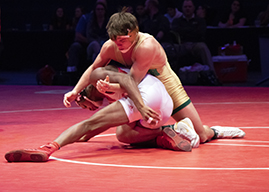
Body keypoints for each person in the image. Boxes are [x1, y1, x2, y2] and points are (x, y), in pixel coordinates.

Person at [63, 8, 245, 145]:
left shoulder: (146, 45)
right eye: (114, 40)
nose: (118, 45)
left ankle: (215, 131)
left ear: (133, 32)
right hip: (141, 87)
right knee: (124, 134)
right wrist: (75, 91)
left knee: (201, 135)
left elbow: (131, 81)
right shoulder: (109, 46)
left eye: (123, 40)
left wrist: (111, 89)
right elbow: (94, 67)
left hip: (164, 84)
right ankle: (168, 132)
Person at [5, 65, 199, 162]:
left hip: (146, 96)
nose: (91, 110)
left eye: (87, 107)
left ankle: (49, 147)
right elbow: (102, 125)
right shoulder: (108, 83)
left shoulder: (100, 76)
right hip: (162, 102)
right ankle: (163, 134)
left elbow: (92, 124)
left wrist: (139, 105)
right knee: (123, 133)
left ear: (86, 96)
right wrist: (83, 137)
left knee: (90, 123)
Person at [171, 0, 219, 83]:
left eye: (189, 7)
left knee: (203, 47)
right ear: (182, 8)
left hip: (195, 45)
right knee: (167, 48)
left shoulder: (200, 21)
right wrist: (191, 31)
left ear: (193, 8)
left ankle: (213, 76)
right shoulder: (177, 21)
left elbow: (200, 33)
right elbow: (175, 32)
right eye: (185, 7)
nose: (187, 9)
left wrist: (186, 32)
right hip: (182, 45)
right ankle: (168, 78)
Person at [66, 1, 108, 74]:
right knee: (94, 44)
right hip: (90, 46)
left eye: (102, 9)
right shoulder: (89, 21)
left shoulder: (109, 21)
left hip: (104, 46)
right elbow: (81, 36)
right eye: (98, 9)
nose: (100, 11)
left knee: (95, 55)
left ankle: (97, 75)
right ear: (94, 10)